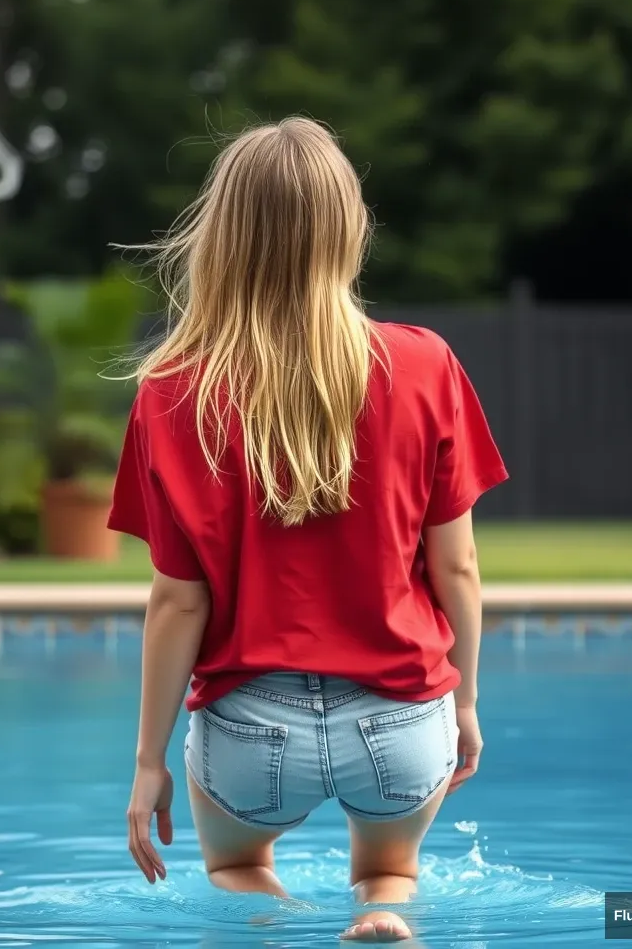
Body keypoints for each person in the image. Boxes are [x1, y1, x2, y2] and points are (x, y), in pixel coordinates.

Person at [108, 117, 507, 943]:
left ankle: (279, 925)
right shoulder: (424, 363)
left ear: (219, 238)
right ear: (348, 230)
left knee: (234, 870)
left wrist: (150, 760)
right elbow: (458, 568)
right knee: (390, 869)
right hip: (399, 718)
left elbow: (178, 603)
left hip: (250, 731)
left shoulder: (171, 392)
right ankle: (384, 915)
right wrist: (464, 701)